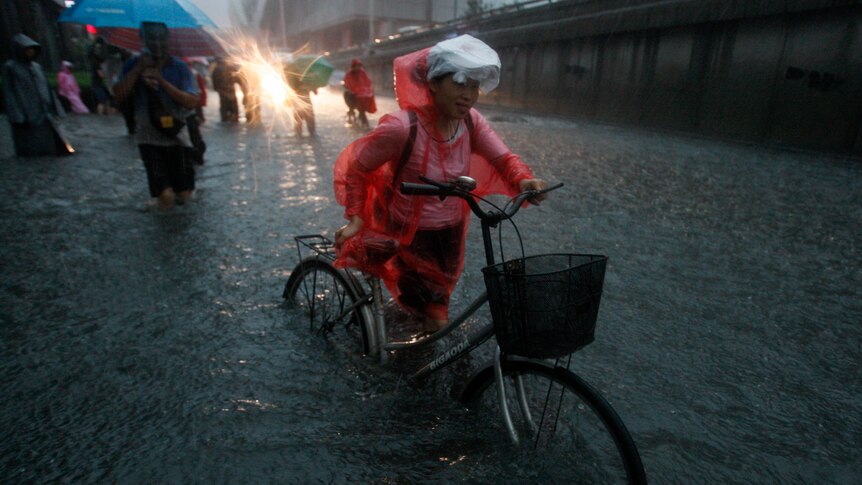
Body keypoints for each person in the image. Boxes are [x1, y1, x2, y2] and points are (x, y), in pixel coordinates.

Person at [333, 35, 547, 332]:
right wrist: (356, 218)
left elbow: (503, 159)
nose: (468, 95)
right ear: (433, 82)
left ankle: (416, 342)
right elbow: (357, 169)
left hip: (450, 235)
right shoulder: (401, 128)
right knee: (436, 317)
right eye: (460, 82)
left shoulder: (471, 122)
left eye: (475, 85)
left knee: (434, 302)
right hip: (407, 235)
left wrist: (524, 180)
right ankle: (415, 369)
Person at [113, 22, 200, 210]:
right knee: (165, 195)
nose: (158, 43)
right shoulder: (132, 65)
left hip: (178, 139)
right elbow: (118, 94)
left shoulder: (179, 67)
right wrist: (138, 71)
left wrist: (161, 81)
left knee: (184, 194)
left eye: (161, 38)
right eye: (152, 38)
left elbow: (192, 101)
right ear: (143, 40)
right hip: (149, 140)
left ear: (167, 39)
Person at [2, 34, 73, 156]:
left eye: (32, 49)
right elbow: (9, 92)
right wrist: (16, 113)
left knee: (46, 135)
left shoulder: (37, 67)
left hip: (43, 108)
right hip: (26, 109)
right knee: (28, 138)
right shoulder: (10, 67)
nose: (30, 52)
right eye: (27, 49)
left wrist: (56, 108)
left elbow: (47, 87)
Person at [342, 58, 376, 129]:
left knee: (362, 110)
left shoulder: (362, 73)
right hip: (351, 95)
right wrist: (351, 89)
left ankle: (364, 123)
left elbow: (367, 81)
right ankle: (351, 116)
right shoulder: (349, 74)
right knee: (352, 106)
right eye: (356, 66)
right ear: (353, 66)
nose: (358, 68)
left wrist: (369, 89)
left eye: (359, 66)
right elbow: (347, 83)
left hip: (361, 95)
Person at [286, 69, 316, 136]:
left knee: (298, 125)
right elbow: (315, 92)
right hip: (307, 104)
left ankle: (298, 136)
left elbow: (290, 92)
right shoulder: (308, 79)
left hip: (297, 105)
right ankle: (312, 135)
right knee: (310, 124)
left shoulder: (293, 79)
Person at [211, 56, 239, 122]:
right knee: (228, 115)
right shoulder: (216, 71)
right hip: (226, 95)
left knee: (232, 116)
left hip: (230, 95)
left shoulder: (229, 69)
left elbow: (237, 79)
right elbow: (216, 87)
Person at [88, 37, 112, 115]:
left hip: (98, 85)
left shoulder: (95, 63)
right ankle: (101, 115)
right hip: (97, 85)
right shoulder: (96, 64)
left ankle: (107, 114)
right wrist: (106, 74)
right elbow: (101, 75)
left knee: (105, 100)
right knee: (102, 101)